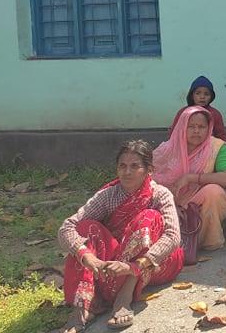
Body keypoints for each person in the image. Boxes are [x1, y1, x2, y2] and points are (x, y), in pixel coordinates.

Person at [58, 140, 183, 332]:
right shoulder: (109, 195)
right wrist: (87, 256)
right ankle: (85, 305)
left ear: (149, 170)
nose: (127, 172)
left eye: (135, 166)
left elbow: (173, 237)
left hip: (154, 263)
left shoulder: (160, 194)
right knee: (86, 227)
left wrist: (134, 266)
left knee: (149, 217)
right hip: (115, 264)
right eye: (122, 166)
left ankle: (124, 297)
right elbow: (67, 227)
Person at [153, 107, 226, 251]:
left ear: (209, 128)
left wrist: (191, 178)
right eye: (191, 127)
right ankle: (172, 243)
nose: (196, 131)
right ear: (182, 127)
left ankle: (202, 241)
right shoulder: (166, 149)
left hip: (195, 204)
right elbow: (149, 180)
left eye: (201, 127)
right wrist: (170, 204)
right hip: (166, 203)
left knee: (214, 192)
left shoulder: (216, 147)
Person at [169, 75, 226, 140]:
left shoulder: (215, 114)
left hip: (209, 145)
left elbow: (221, 136)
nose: (202, 97)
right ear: (192, 95)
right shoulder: (183, 112)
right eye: (198, 93)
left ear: (211, 97)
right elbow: (174, 133)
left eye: (206, 94)